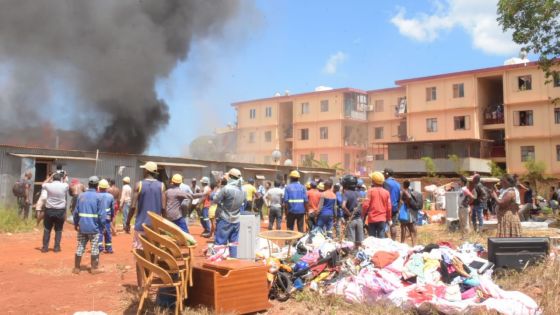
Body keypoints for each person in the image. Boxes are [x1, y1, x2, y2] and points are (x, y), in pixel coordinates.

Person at [124, 161, 166, 247]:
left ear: (146, 171)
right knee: (154, 252)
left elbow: (132, 207)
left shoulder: (139, 185)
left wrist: (127, 222)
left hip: (141, 225)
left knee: (140, 252)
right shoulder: (161, 185)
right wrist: (165, 225)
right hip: (155, 226)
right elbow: (163, 208)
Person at [72, 176, 105, 274]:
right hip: (94, 228)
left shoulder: (81, 196)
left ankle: (77, 268)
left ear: (88, 184)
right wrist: (102, 226)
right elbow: (102, 215)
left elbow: (75, 213)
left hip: (82, 227)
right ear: (97, 186)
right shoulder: (99, 197)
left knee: (80, 246)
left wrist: (76, 224)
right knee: (94, 247)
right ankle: (94, 268)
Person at [213, 168, 245, 258]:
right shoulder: (243, 190)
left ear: (230, 177)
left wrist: (219, 187)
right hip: (236, 221)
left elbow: (215, 200)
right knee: (233, 244)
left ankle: (218, 265)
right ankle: (233, 263)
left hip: (225, 220)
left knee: (220, 244)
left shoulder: (226, 189)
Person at [41, 172, 69, 253]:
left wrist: (50, 177)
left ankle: (45, 248)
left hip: (49, 210)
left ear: (53, 178)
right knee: (59, 230)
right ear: (60, 179)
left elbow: (43, 184)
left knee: (47, 229)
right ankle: (56, 248)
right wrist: (63, 177)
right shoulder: (64, 185)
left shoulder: (48, 185)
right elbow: (66, 183)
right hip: (60, 211)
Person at [363, 172, 391, 238]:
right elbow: (389, 207)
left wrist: (363, 214)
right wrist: (389, 218)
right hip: (382, 219)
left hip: (372, 219)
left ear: (373, 181)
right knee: (381, 239)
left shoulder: (370, 191)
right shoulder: (386, 192)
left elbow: (365, 205)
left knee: (372, 239)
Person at [341, 175, 363, 247]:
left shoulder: (346, 193)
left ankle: (351, 256)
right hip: (359, 220)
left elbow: (343, 206)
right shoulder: (359, 193)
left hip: (351, 220)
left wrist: (350, 215)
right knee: (359, 242)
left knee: (351, 243)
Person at [382, 168, 401, 240]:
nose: (383, 175)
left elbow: (384, 195)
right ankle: (393, 240)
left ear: (387, 174)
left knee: (383, 224)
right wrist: (398, 208)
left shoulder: (385, 183)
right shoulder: (398, 184)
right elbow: (399, 197)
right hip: (395, 207)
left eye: (384, 173)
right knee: (392, 225)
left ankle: (385, 239)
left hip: (386, 207)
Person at [97, 179, 115, 254]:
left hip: (98, 216)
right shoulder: (110, 196)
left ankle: (100, 249)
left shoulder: (96, 195)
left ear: (99, 187)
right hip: (107, 216)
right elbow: (112, 208)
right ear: (107, 188)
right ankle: (109, 248)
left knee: (99, 232)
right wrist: (112, 216)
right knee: (107, 232)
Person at [399, 180, 418, 246]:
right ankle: (414, 244)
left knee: (403, 227)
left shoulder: (404, 191)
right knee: (412, 227)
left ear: (404, 185)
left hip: (406, 211)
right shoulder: (412, 191)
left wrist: (405, 202)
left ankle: (402, 243)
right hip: (412, 211)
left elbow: (409, 197)